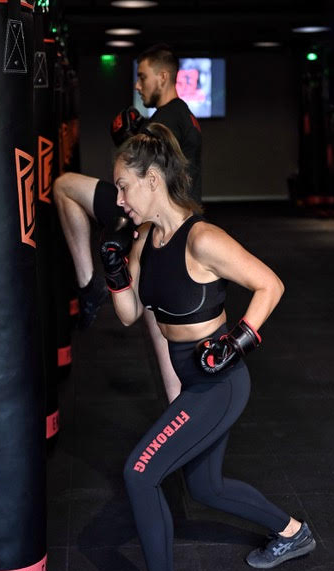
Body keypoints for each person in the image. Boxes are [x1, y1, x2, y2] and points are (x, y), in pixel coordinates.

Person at [99, 122, 316, 571]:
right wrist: (116, 275)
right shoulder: (145, 240)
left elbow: (269, 285)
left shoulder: (202, 238)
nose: (120, 199)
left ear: (153, 180)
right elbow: (129, 314)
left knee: (139, 473)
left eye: (124, 186)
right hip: (196, 385)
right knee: (207, 486)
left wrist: (238, 341)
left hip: (219, 385)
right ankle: (292, 532)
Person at [53, 44, 202, 403]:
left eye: (143, 76)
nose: (138, 84)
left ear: (163, 77)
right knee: (163, 336)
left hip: (156, 228)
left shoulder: (165, 121)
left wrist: (123, 215)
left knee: (64, 186)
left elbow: (139, 179)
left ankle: (88, 283)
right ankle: (183, 419)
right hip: (170, 231)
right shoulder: (182, 117)